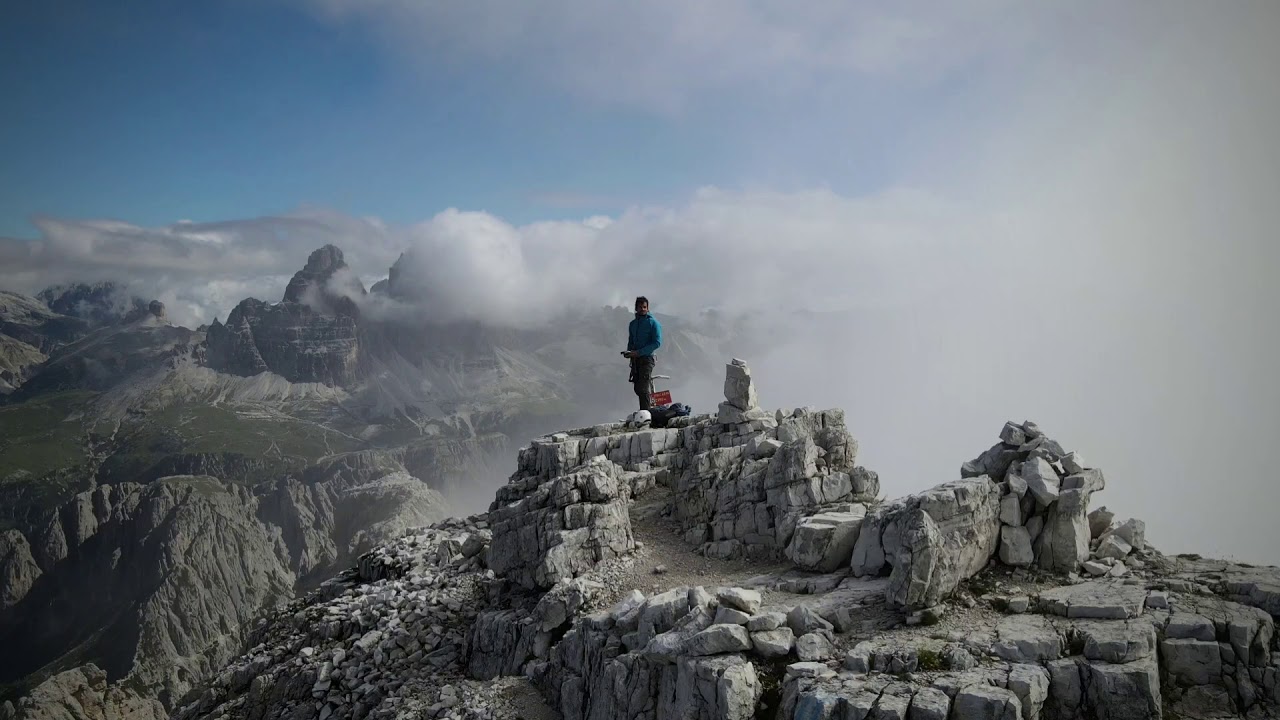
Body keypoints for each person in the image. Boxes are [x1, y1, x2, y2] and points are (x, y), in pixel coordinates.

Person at [623, 296, 663, 410]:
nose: (642, 309)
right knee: (637, 388)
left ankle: (646, 415)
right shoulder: (633, 324)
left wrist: (639, 352)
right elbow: (631, 340)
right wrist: (629, 352)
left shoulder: (653, 323)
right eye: (640, 307)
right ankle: (647, 411)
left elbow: (657, 342)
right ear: (636, 308)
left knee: (643, 388)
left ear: (648, 308)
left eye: (644, 307)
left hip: (647, 359)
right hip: (635, 360)